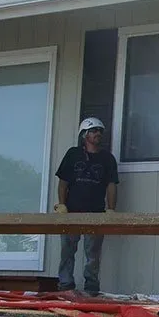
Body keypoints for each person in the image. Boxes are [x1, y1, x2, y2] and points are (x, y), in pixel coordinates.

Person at [54, 117, 119, 295]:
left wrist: (111, 209)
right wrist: (62, 205)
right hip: (72, 212)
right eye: (94, 130)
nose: (98, 133)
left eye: (100, 131)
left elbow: (112, 185)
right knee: (68, 250)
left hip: (96, 213)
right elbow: (63, 182)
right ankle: (66, 286)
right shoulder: (73, 154)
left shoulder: (107, 158)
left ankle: (91, 288)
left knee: (93, 254)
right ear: (84, 135)